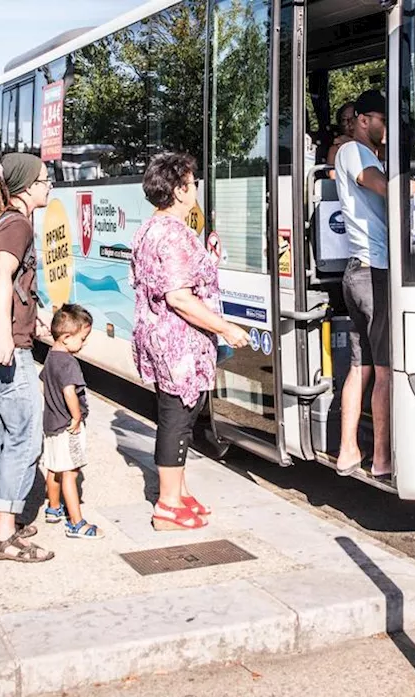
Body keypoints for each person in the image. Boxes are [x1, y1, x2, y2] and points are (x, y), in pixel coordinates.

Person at [335, 90, 415, 480]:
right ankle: (381, 458)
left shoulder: (367, 154)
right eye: (382, 120)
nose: (387, 127)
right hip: (374, 272)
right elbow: (384, 187)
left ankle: (348, 450)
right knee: (383, 370)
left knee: (361, 367)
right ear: (364, 119)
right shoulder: (355, 152)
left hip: (361, 272)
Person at [131, 152, 250, 531]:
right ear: (180, 191)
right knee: (177, 418)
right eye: (193, 182)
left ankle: (178, 492)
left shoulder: (150, 229)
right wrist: (225, 328)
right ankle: (167, 505)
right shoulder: (173, 234)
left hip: (161, 337)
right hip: (178, 342)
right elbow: (179, 297)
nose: (196, 187)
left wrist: (208, 260)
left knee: (181, 413)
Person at [0, 153, 53, 563]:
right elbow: (2, 276)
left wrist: (32, 322)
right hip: (6, 349)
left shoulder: (1, 220)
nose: (49, 184)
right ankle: (5, 532)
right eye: (44, 178)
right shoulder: (17, 223)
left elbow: (13, 284)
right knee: (25, 437)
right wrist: (7, 334)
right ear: (26, 186)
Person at [39, 304, 103, 540]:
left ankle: (53, 508)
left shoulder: (51, 357)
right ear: (66, 338)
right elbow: (69, 391)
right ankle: (76, 523)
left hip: (51, 422)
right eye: (82, 338)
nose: (84, 343)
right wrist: (76, 416)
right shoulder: (68, 363)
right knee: (70, 473)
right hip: (68, 425)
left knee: (54, 467)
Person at [324, 102, 358, 167]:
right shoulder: (337, 148)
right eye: (344, 120)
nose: (350, 123)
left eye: (354, 118)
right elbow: (332, 173)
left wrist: (352, 142)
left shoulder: (376, 141)